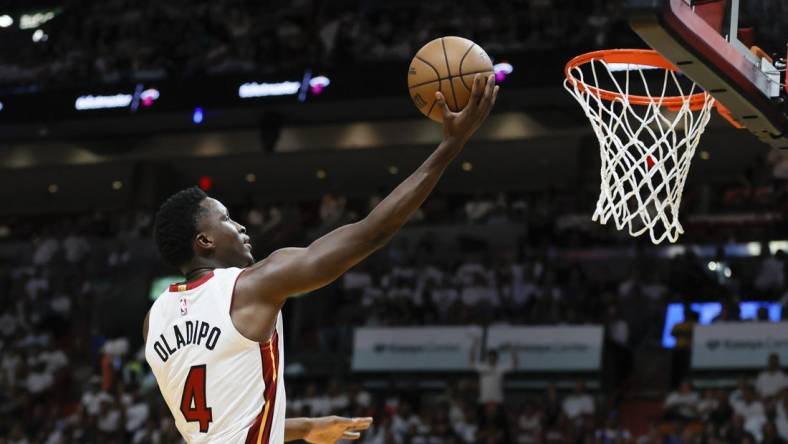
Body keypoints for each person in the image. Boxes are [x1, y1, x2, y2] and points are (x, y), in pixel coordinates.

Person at [143, 75, 500, 443]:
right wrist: (450, 147)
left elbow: (222, 427)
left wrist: (306, 427)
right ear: (204, 240)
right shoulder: (251, 286)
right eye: (227, 220)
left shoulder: (155, 319)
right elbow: (371, 232)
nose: (241, 227)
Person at [469, 338, 518, 406]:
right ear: (487, 358)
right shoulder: (482, 367)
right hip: (483, 400)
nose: (492, 358)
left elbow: (514, 364)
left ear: (496, 358)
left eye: (493, 357)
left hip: (498, 400)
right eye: (490, 357)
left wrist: (511, 348)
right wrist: (474, 344)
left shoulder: (501, 368)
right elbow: (471, 361)